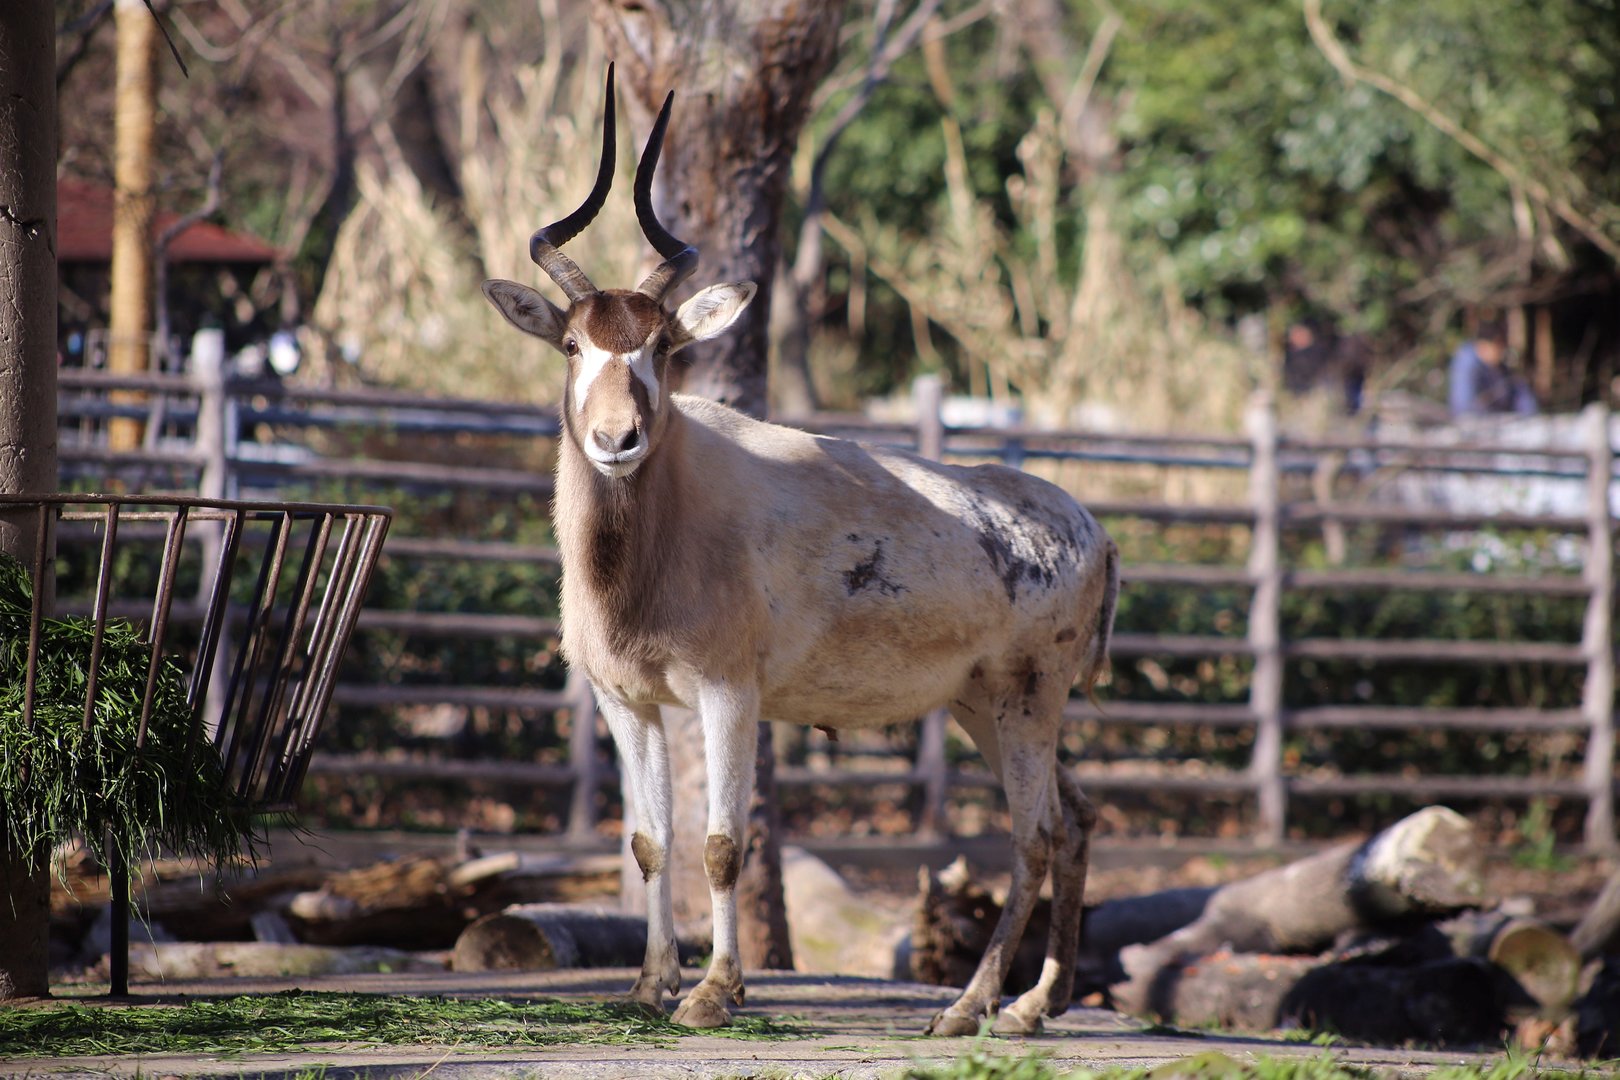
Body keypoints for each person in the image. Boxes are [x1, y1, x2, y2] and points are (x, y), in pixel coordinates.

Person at [1448, 322, 1536, 417]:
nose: (1502, 350)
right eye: (1498, 345)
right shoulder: (1466, 366)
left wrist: (1529, 415)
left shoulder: (1500, 365)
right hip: (1475, 425)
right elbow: (1463, 407)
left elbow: (1520, 395)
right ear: (1483, 346)